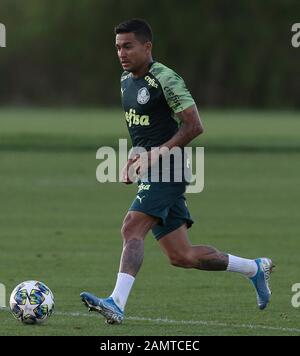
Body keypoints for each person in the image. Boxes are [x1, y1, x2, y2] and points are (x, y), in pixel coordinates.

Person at [80, 19, 273, 324]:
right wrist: (134, 158)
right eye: (117, 47)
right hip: (151, 169)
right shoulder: (125, 81)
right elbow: (143, 129)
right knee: (182, 256)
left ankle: (116, 302)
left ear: (147, 46)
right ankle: (253, 268)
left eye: (128, 46)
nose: (121, 53)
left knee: (132, 227)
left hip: (169, 170)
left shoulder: (166, 79)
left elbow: (194, 126)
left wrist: (157, 153)